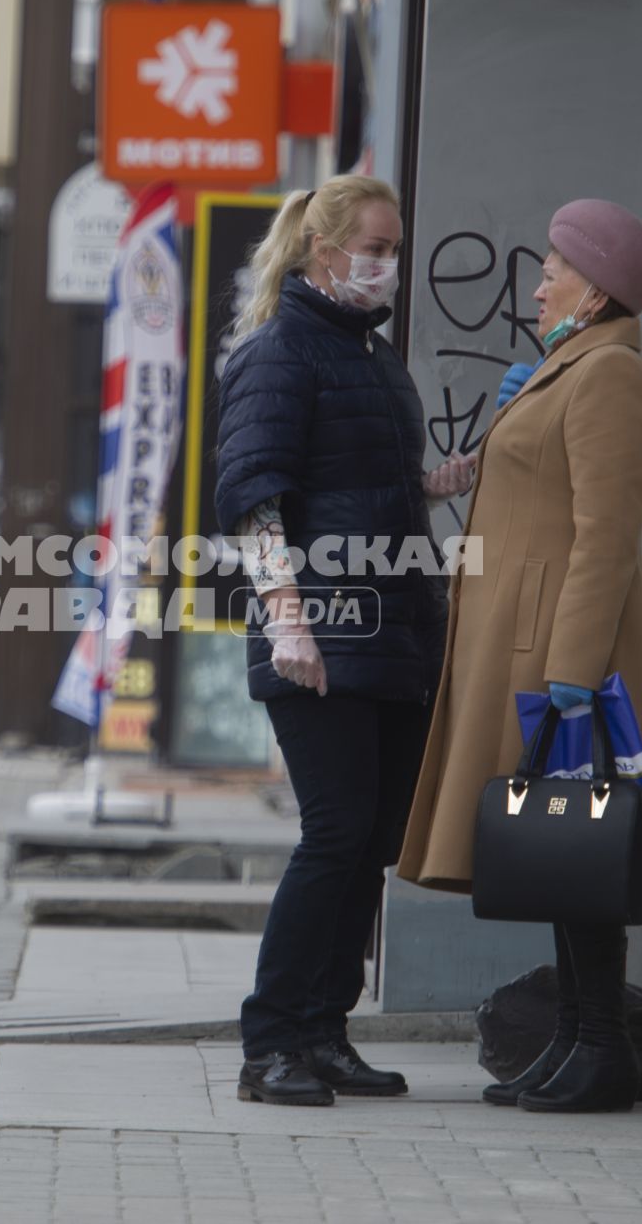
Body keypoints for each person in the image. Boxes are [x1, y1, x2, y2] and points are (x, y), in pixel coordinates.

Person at [397, 199, 642, 1114]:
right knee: (560, 845)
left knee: (580, 842)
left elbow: (606, 538)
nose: (540, 279)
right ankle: (575, 1037)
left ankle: (602, 1045)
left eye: (556, 267)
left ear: (594, 293)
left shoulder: (610, 380)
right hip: (531, 643)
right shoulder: (570, 370)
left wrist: (574, 671)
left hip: (563, 654)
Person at [213, 174, 477, 1107]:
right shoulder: (281, 351)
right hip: (320, 634)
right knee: (332, 835)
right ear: (327, 254)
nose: (391, 264)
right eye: (379, 246)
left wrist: (443, 483)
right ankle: (270, 1043)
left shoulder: (368, 356)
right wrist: (287, 616)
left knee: (370, 838)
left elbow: (368, 487)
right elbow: (255, 492)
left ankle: (326, 1031)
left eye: (397, 247)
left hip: (390, 632)